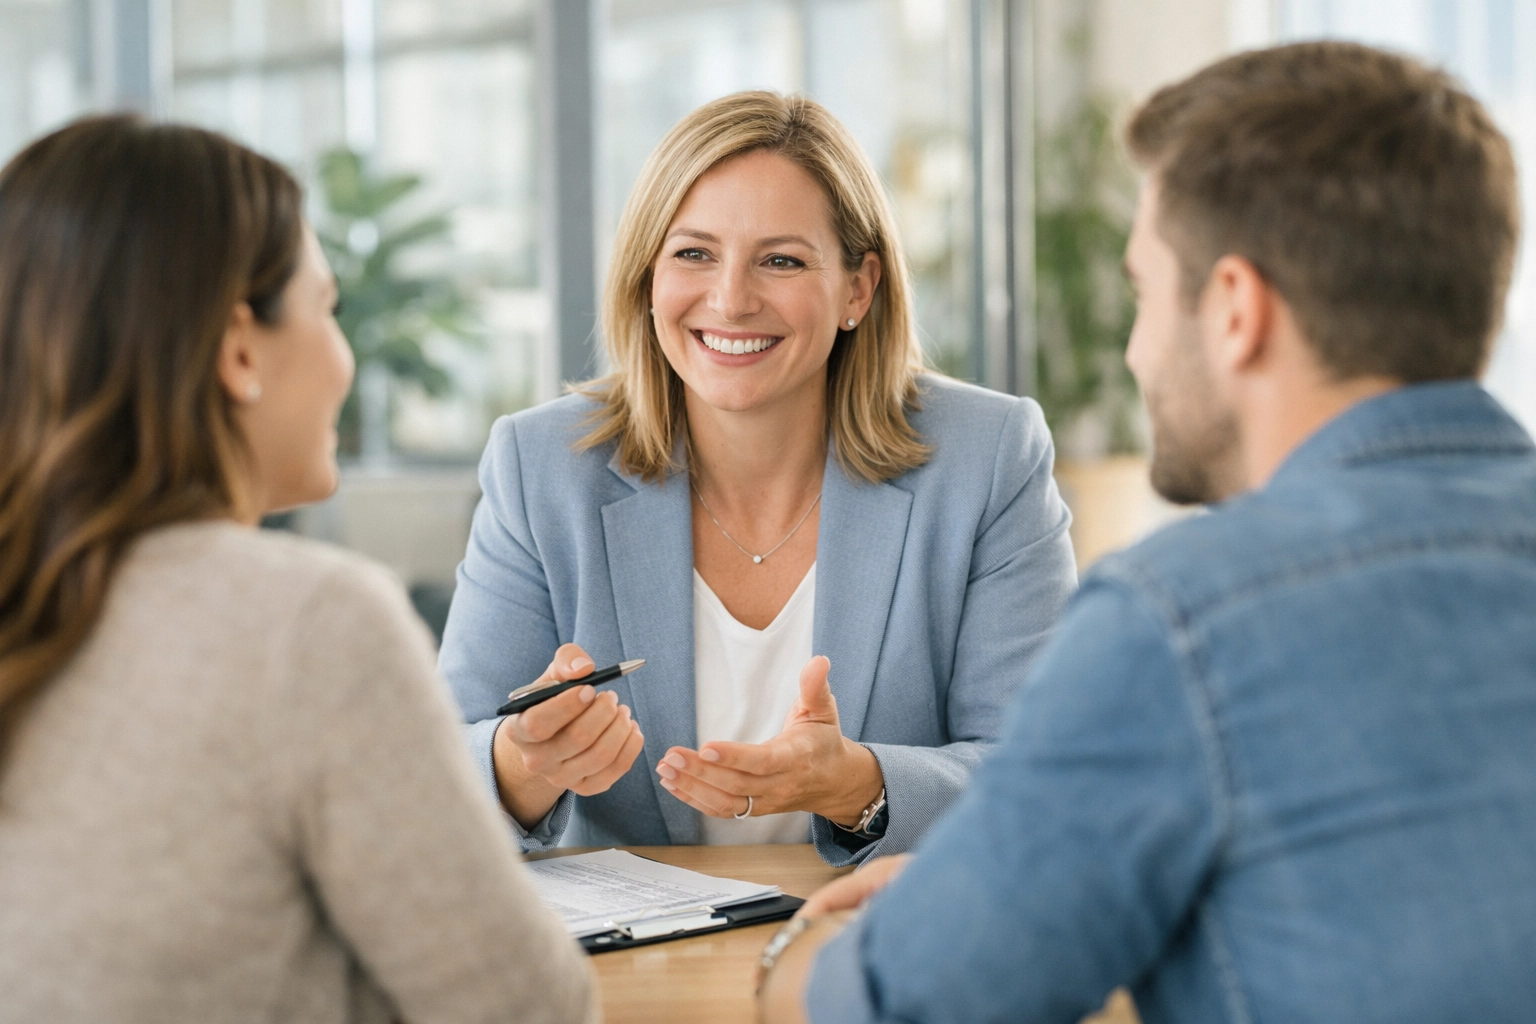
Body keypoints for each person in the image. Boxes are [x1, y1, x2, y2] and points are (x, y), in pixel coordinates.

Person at [757, 41, 1536, 1023]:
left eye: (1142, 291)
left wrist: (814, 941)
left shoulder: (1187, 621)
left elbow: (900, 1005)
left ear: (1236, 312)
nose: (1132, 347)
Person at [0, 117, 593, 1024]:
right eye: (327, 309)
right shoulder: (309, 623)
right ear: (241, 350)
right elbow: (526, 1009)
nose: (345, 362)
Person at [439, 91, 1077, 865]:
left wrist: (859, 787)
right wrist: (521, 765)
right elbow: (434, 780)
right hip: (637, 972)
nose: (732, 300)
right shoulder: (540, 466)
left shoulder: (988, 456)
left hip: (875, 948)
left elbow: (1044, 779)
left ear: (858, 288)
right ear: (647, 277)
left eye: (781, 260)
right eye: (693, 253)